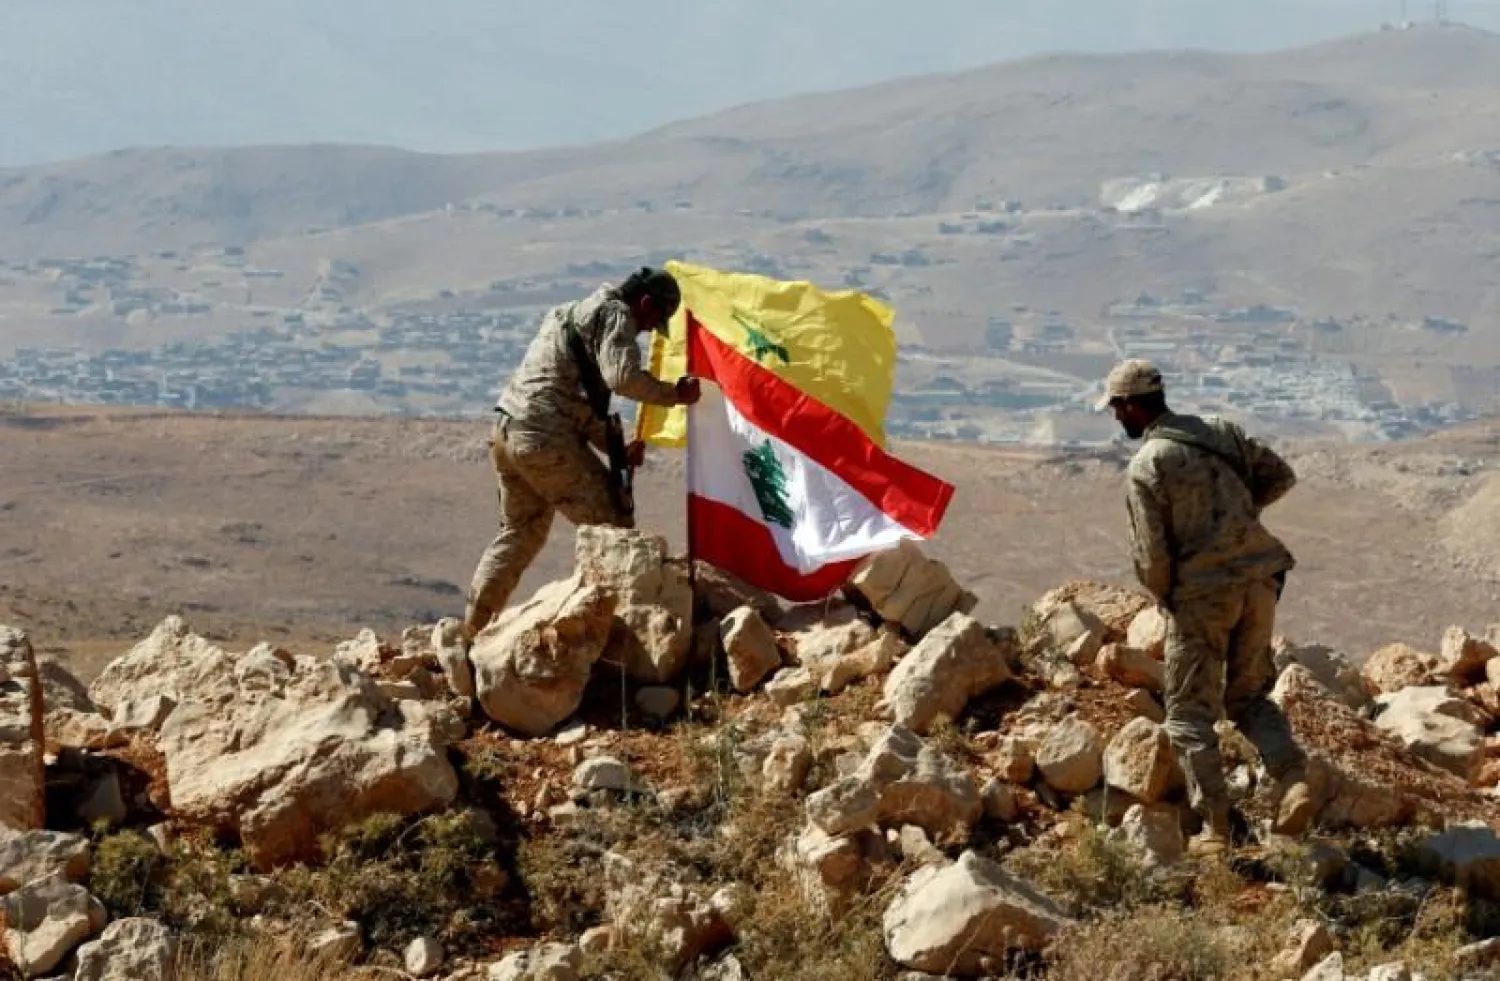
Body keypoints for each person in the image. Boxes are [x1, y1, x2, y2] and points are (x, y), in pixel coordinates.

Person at [1100, 359, 1315, 856]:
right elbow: (1278, 476)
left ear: (1133, 405)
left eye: (1116, 408)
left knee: (1188, 713)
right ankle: (1293, 779)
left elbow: (1153, 557)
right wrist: (1236, 523)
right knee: (1247, 697)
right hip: (1260, 579)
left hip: (1203, 595)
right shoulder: (1219, 431)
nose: (1116, 418)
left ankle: (1216, 829)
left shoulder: (1147, 465)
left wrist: (1168, 595)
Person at [460, 267, 701, 640]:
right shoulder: (617, 314)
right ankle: (622, 638)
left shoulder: (568, 314)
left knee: (520, 534)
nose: (650, 330)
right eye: (653, 321)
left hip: (508, 430)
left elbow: (570, 400)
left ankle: (471, 630)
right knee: (613, 528)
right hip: (544, 437)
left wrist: (614, 447)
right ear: (645, 302)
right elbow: (621, 378)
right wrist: (675, 395)